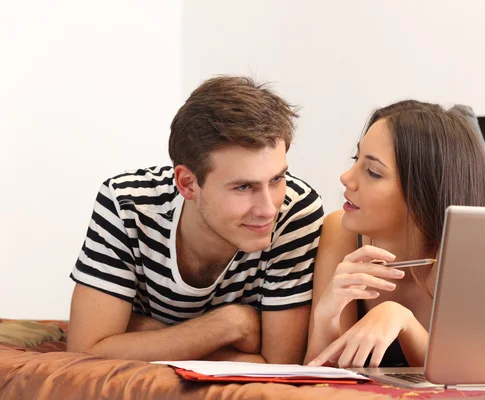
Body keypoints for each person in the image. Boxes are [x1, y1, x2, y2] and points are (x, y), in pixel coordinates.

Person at [67, 76, 324, 364]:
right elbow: (85, 353)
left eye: (277, 179)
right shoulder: (127, 204)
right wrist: (230, 325)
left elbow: (279, 367)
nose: (267, 209)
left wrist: (139, 335)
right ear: (187, 183)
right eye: (243, 187)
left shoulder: (295, 211)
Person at [305, 100, 485, 368]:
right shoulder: (341, 232)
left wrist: (402, 320)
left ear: (423, 193)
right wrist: (325, 318)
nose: (346, 178)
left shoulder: (469, 255)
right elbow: (318, 380)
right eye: (356, 159)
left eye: (373, 172)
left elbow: (469, 379)